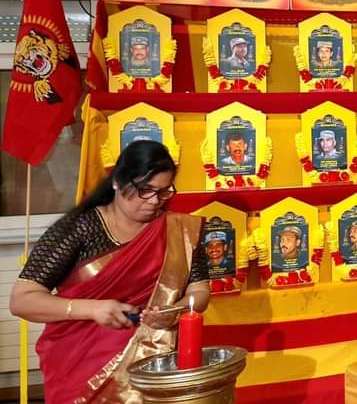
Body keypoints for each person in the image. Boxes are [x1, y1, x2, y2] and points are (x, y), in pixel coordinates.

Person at [10, 141, 208, 403]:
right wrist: (94, 309)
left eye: (163, 192)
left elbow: (199, 292)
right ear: (117, 182)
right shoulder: (80, 227)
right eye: (145, 190)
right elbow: (22, 300)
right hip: (81, 361)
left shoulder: (179, 231)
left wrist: (174, 310)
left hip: (154, 359)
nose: (154, 201)